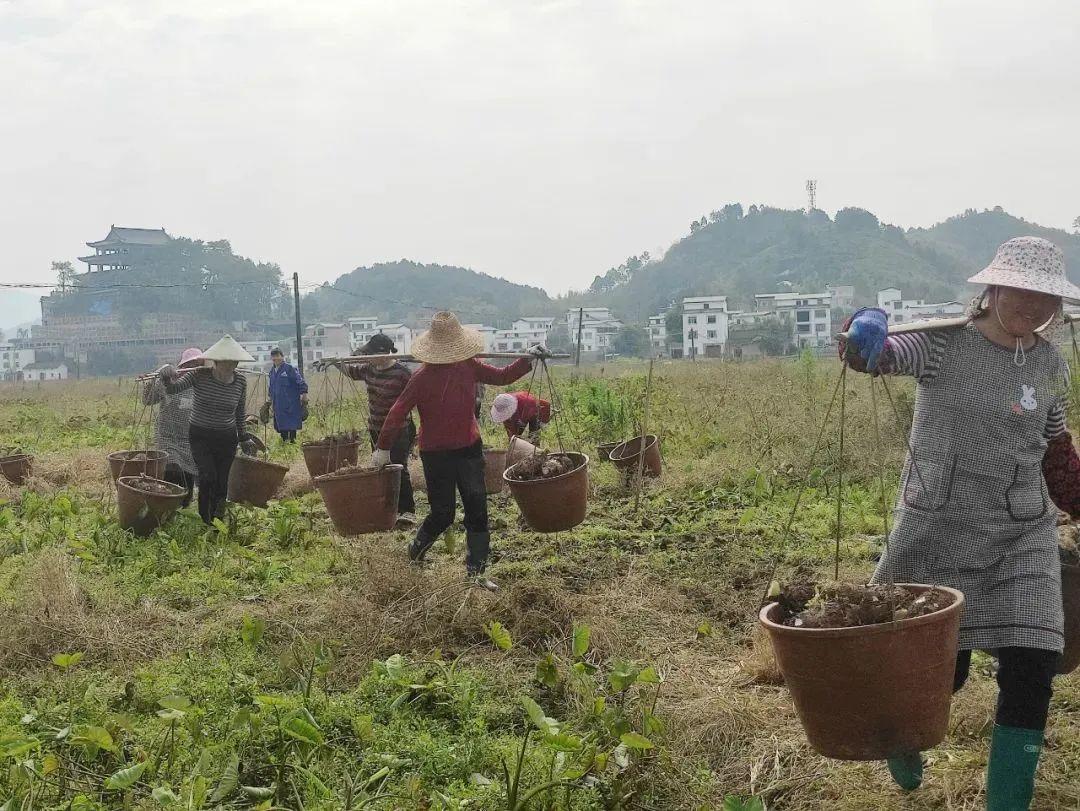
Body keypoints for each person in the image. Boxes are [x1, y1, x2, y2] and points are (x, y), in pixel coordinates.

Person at [841, 237, 1080, 810]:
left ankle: (1007, 801)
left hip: (1021, 535)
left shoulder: (1050, 365)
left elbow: (1055, 451)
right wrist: (861, 330)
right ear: (992, 288)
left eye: (1047, 298)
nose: (1034, 307)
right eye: (1022, 292)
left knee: (1035, 660)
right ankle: (903, 737)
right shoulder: (944, 346)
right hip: (937, 530)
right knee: (941, 670)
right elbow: (872, 356)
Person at [371, 311, 545, 590]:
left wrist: (528, 359)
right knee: (443, 513)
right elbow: (398, 411)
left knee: (477, 509)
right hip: (435, 454)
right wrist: (383, 447)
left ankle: (476, 574)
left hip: (468, 449)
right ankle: (415, 550)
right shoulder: (421, 377)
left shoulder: (469, 366)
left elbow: (502, 377)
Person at [323, 332, 417, 527]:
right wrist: (335, 362)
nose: (369, 358)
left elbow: (417, 397)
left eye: (371, 354)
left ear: (384, 354)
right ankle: (388, 508)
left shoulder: (403, 373)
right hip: (375, 427)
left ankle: (407, 511)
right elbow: (351, 371)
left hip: (400, 429)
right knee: (380, 468)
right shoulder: (369, 369)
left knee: (398, 466)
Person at [160, 335, 255, 525]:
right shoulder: (199, 375)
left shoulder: (240, 382)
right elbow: (172, 389)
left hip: (226, 438)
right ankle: (205, 516)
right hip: (200, 435)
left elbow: (239, 412)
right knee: (207, 475)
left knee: (221, 481)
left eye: (234, 362)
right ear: (216, 362)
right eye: (227, 362)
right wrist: (166, 374)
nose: (231, 367)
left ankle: (218, 519)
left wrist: (244, 437)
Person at [142, 346, 203, 507]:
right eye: (190, 365)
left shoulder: (201, 385)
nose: (192, 370)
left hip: (189, 439)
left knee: (188, 473)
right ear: (182, 367)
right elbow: (147, 399)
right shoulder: (169, 382)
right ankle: (167, 505)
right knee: (172, 469)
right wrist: (158, 375)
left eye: (197, 365)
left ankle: (184, 505)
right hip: (167, 437)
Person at [268, 348, 308, 442]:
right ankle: (284, 441)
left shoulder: (289, 369)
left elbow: (300, 381)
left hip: (290, 402)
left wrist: (304, 394)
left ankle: (292, 442)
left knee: (291, 424)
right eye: (273, 356)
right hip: (278, 404)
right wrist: (269, 399)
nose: (276, 358)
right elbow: (271, 387)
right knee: (281, 424)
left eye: (278, 356)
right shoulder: (272, 372)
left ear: (282, 357)